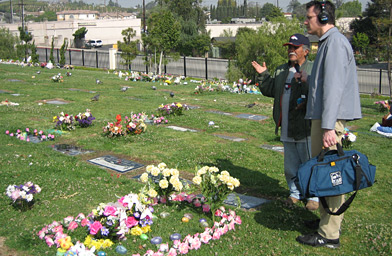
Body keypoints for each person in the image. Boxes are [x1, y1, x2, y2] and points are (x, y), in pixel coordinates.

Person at [296, 1, 362, 248]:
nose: (306, 21)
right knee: (324, 171)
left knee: (332, 174)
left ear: (323, 18)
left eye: (309, 17)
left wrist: (327, 127)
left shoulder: (334, 44)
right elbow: (327, 80)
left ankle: (329, 234)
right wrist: (309, 78)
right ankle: (325, 221)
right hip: (326, 118)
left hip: (329, 120)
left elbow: (334, 89)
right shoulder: (328, 43)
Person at [252, 34, 319, 211]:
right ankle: (295, 193)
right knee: (290, 164)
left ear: (306, 50)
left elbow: (318, 93)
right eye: (289, 47)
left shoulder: (313, 68)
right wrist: (263, 76)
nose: (291, 50)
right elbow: (270, 90)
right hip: (286, 125)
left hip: (306, 126)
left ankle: (313, 196)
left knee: (309, 161)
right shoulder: (281, 70)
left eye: (295, 47)